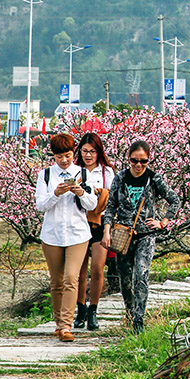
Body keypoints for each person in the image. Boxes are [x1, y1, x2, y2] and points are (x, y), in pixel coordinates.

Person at [101, 140, 180, 333]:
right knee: (125, 279)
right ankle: (129, 312)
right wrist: (106, 230)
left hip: (146, 234)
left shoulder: (154, 179)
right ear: (129, 159)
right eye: (134, 160)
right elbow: (110, 206)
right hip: (122, 235)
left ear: (148, 160)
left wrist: (163, 222)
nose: (138, 165)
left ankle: (139, 319)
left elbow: (174, 200)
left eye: (143, 161)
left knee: (141, 275)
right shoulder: (120, 178)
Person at [34, 133, 97, 342]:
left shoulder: (83, 174)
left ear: (74, 153)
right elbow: (40, 206)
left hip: (78, 233)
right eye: (59, 156)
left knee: (72, 278)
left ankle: (66, 326)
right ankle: (59, 323)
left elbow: (92, 205)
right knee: (57, 281)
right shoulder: (45, 175)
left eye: (68, 155)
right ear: (53, 155)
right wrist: (56, 193)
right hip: (52, 234)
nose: (64, 160)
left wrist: (80, 192)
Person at [73, 132, 115, 331]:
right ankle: (80, 310)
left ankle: (93, 310)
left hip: (99, 225)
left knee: (98, 269)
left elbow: (112, 203)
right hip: (79, 223)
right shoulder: (74, 170)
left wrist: (108, 229)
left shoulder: (106, 173)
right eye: (84, 151)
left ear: (99, 153)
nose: (88, 155)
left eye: (92, 151)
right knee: (80, 272)